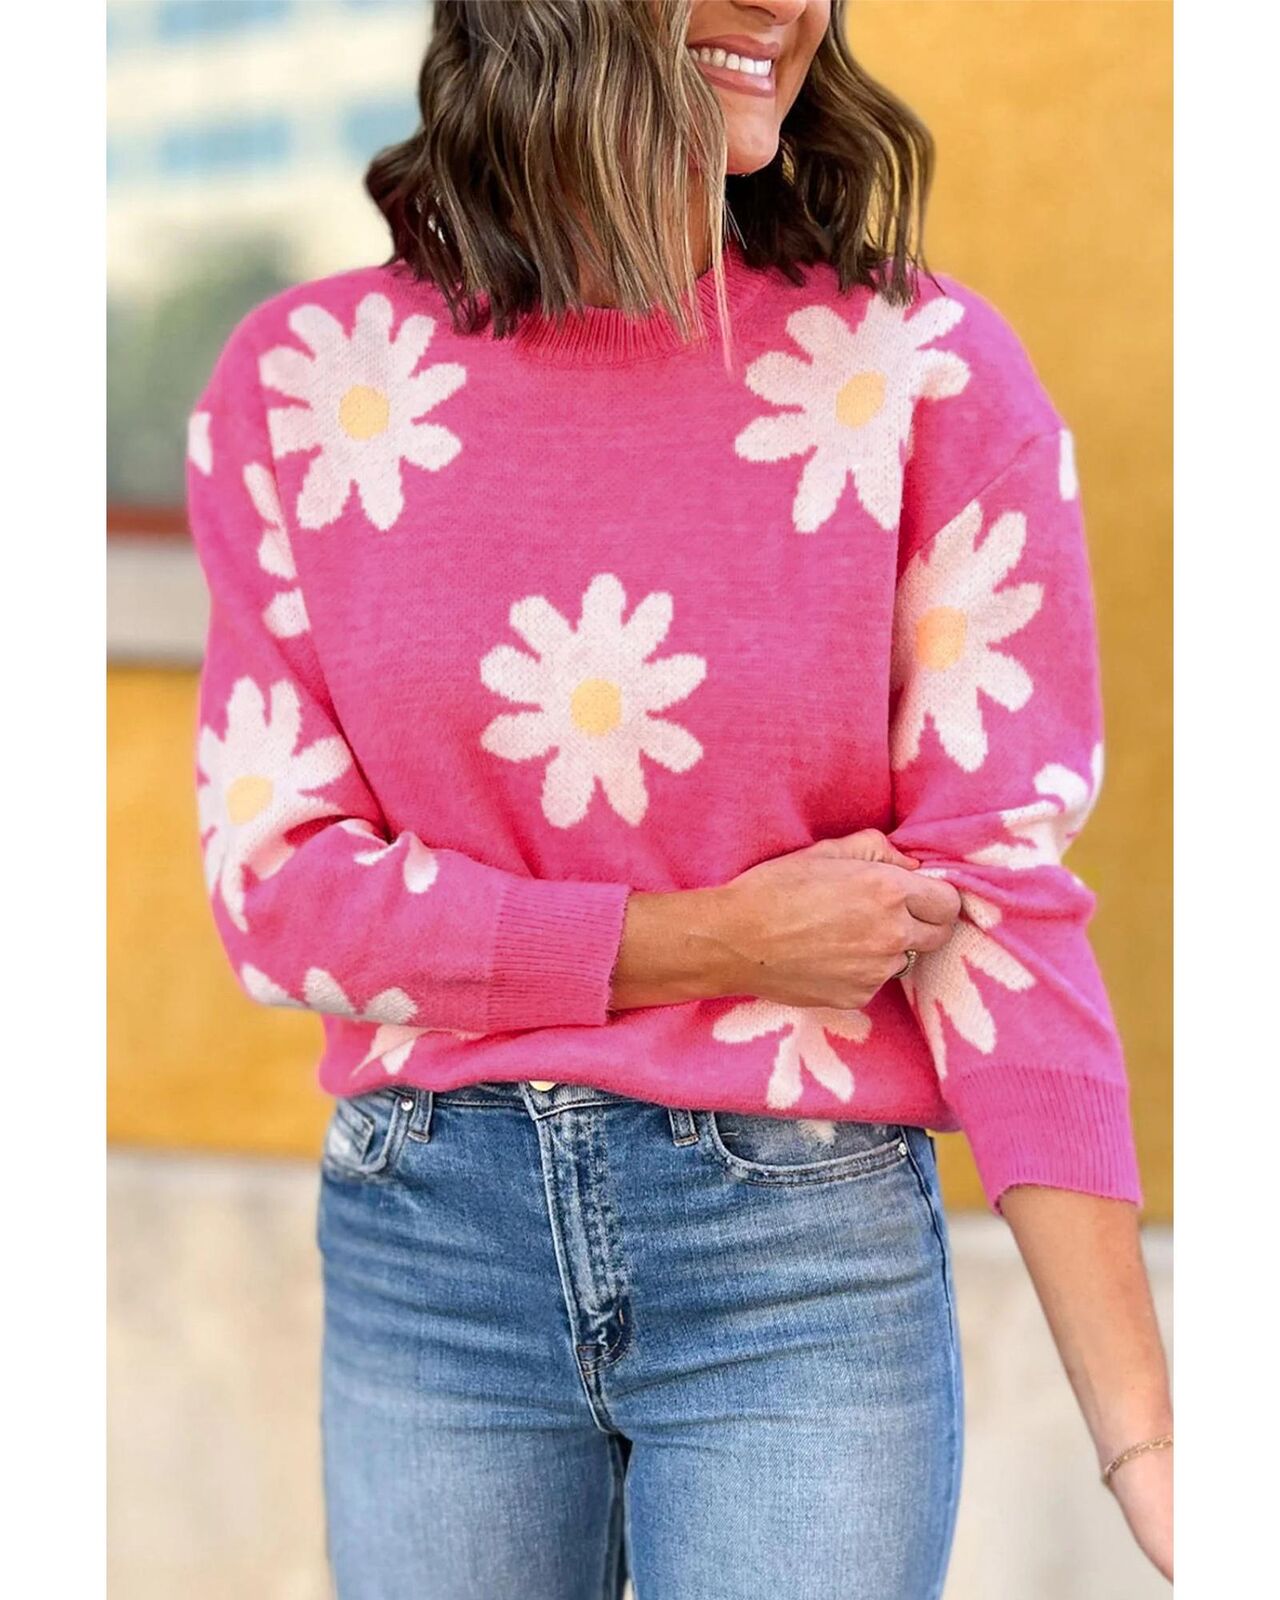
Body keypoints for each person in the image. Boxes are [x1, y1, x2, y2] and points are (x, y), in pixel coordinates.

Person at [184, 2, 1172, 1595]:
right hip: (430, 1249)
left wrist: (1148, 1434)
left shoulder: (916, 373)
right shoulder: (305, 387)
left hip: (795, 1257)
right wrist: (713, 940)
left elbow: (998, 902)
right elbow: (281, 900)